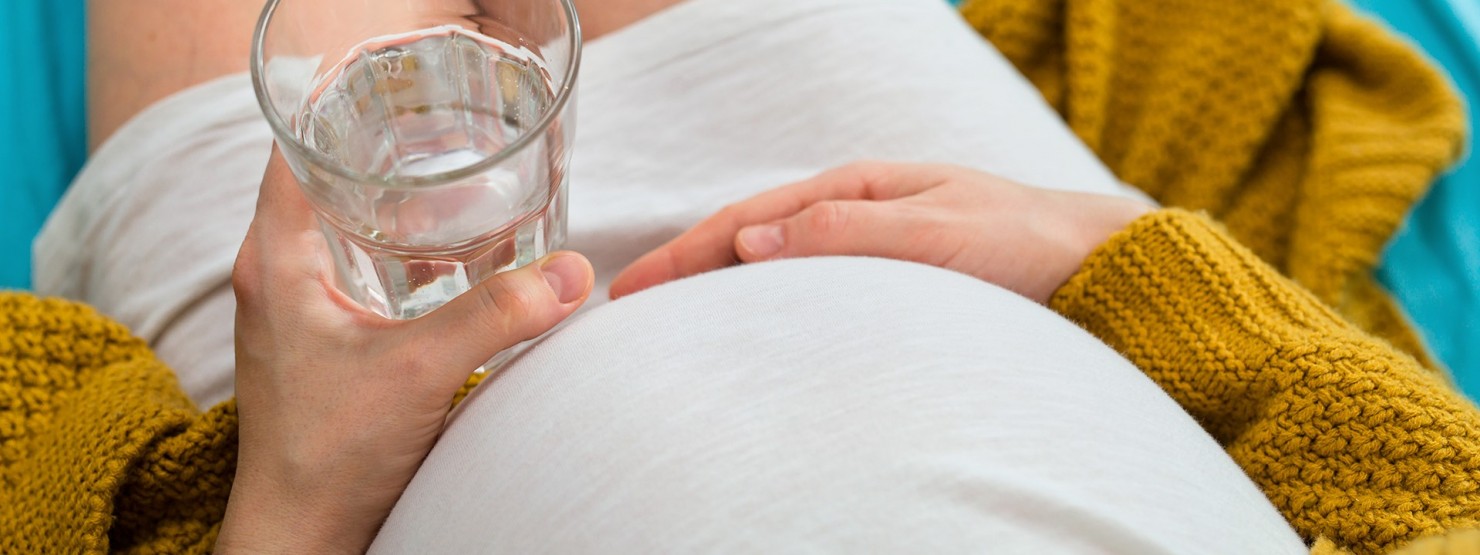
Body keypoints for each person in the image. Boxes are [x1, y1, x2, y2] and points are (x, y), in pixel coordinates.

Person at [24, 0, 1478, 552]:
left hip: (335, 410)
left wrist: (287, 509)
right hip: (921, 217)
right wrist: (1113, 261)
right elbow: (1433, 501)